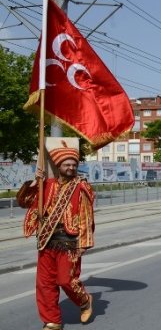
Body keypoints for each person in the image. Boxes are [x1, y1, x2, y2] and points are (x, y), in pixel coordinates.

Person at [17, 141, 95, 329]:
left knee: (66, 281)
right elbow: (24, 202)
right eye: (67, 165)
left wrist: (84, 243)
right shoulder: (47, 184)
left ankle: (84, 301)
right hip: (46, 241)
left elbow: (86, 216)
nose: (71, 168)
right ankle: (52, 321)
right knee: (45, 284)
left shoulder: (81, 186)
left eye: (74, 165)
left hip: (69, 242)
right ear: (59, 166)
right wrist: (35, 183)